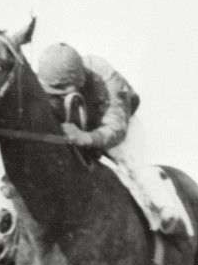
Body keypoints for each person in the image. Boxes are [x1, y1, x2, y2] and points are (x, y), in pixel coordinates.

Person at [36, 43, 189, 235]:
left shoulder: (107, 79)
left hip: (120, 127)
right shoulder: (50, 76)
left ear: (78, 81)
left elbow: (116, 129)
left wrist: (85, 137)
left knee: (132, 164)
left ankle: (166, 209)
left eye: (60, 92)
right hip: (81, 127)